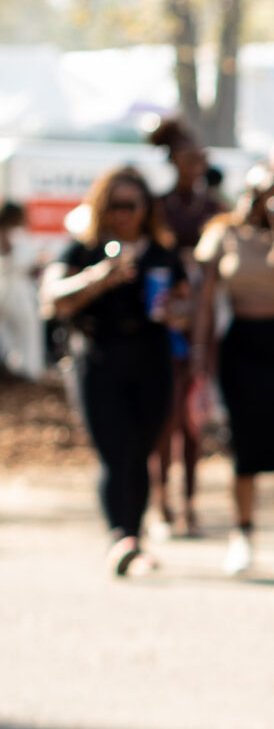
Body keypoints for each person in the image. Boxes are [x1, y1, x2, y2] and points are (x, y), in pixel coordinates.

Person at [41, 165, 187, 573]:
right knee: (115, 450)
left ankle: (132, 540)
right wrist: (97, 279)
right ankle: (118, 537)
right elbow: (52, 297)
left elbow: (187, 303)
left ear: (145, 208)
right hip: (98, 357)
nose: (122, 214)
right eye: (114, 205)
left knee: (141, 451)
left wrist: (180, 312)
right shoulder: (85, 249)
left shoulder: (161, 252)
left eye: (130, 205)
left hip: (151, 357)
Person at [193, 167, 274, 578]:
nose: (260, 198)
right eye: (255, 190)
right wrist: (200, 357)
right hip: (242, 344)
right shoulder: (222, 234)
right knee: (245, 447)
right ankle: (243, 535)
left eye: (270, 193)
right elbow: (207, 302)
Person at [148, 117, 222, 535]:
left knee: (194, 414)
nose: (196, 164)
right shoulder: (157, 208)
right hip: (164, 324)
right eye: (189, 157)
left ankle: (190, 502)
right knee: (164, 414)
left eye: (200, 158)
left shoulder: (214, 208)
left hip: (202, 322)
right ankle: (160, 500)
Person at [0, 198, 46, 379]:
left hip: (8, 286)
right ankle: (26, 369)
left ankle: (16, 366)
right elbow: (21, 261)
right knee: (26, 329)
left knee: (10, 330)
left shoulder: (8, 233)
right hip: (17, 289)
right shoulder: (15, 234)